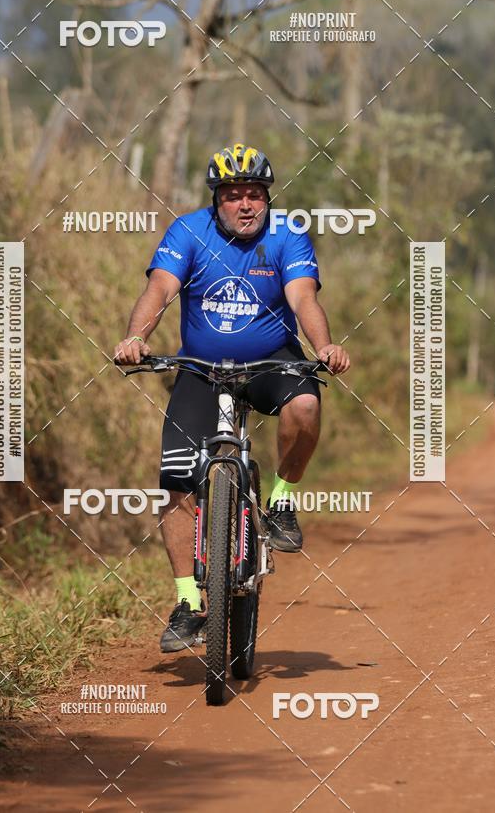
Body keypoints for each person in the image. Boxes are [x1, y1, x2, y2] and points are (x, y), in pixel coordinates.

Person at [114, 143, 350, 652]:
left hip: (271, 363)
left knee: (306, 405)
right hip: (201, 371)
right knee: (177, 478)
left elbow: (303, 297)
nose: (246, 205)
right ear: (216, 199)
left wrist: (324, 345)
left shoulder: (286, 236)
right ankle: (188, 602)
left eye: (256, 195)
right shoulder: (188, 232)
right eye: (234, 195)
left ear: (267, 198)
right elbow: (159, 291)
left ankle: (281, 502)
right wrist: (136, 337)